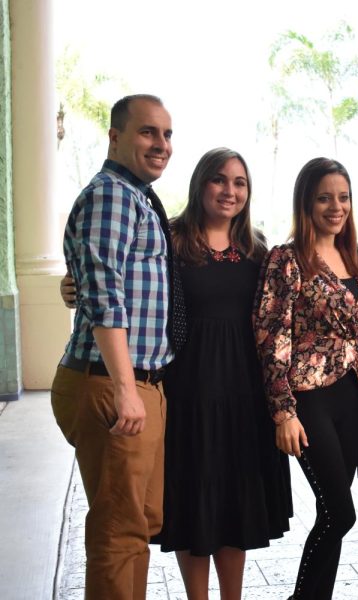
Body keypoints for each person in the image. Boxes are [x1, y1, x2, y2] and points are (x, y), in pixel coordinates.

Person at [151, 148, 292, 599]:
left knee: (233, 502)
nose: (229, 191)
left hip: (243, 394)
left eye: (239, 182)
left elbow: (281, 320)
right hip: (186, 391)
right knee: (194, 500)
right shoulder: (170, 240)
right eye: (219, 180)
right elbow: (129, 288)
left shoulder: (258, 250)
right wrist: (70, 285)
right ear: (200, 185)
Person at [51, 94, 174, 599]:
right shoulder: (113, 196)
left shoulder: (134, 196)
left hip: (135, 381)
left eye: (167, 135)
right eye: (148, 132)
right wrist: (126, 387)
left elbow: (103, 276)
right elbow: (105, 297)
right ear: (116, 136)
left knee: (138, 524)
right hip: (113, 382)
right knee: (119, 530)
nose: (161, 144)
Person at [254, 158, 358, 600]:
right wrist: (283, 412)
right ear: (306, 202)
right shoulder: (286, 260)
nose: (335, 206)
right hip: (308, 399)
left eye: (343, 197)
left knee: (331, 511)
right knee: (341, 513)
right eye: (325, 197)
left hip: (353, 396)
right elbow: (271, 339)